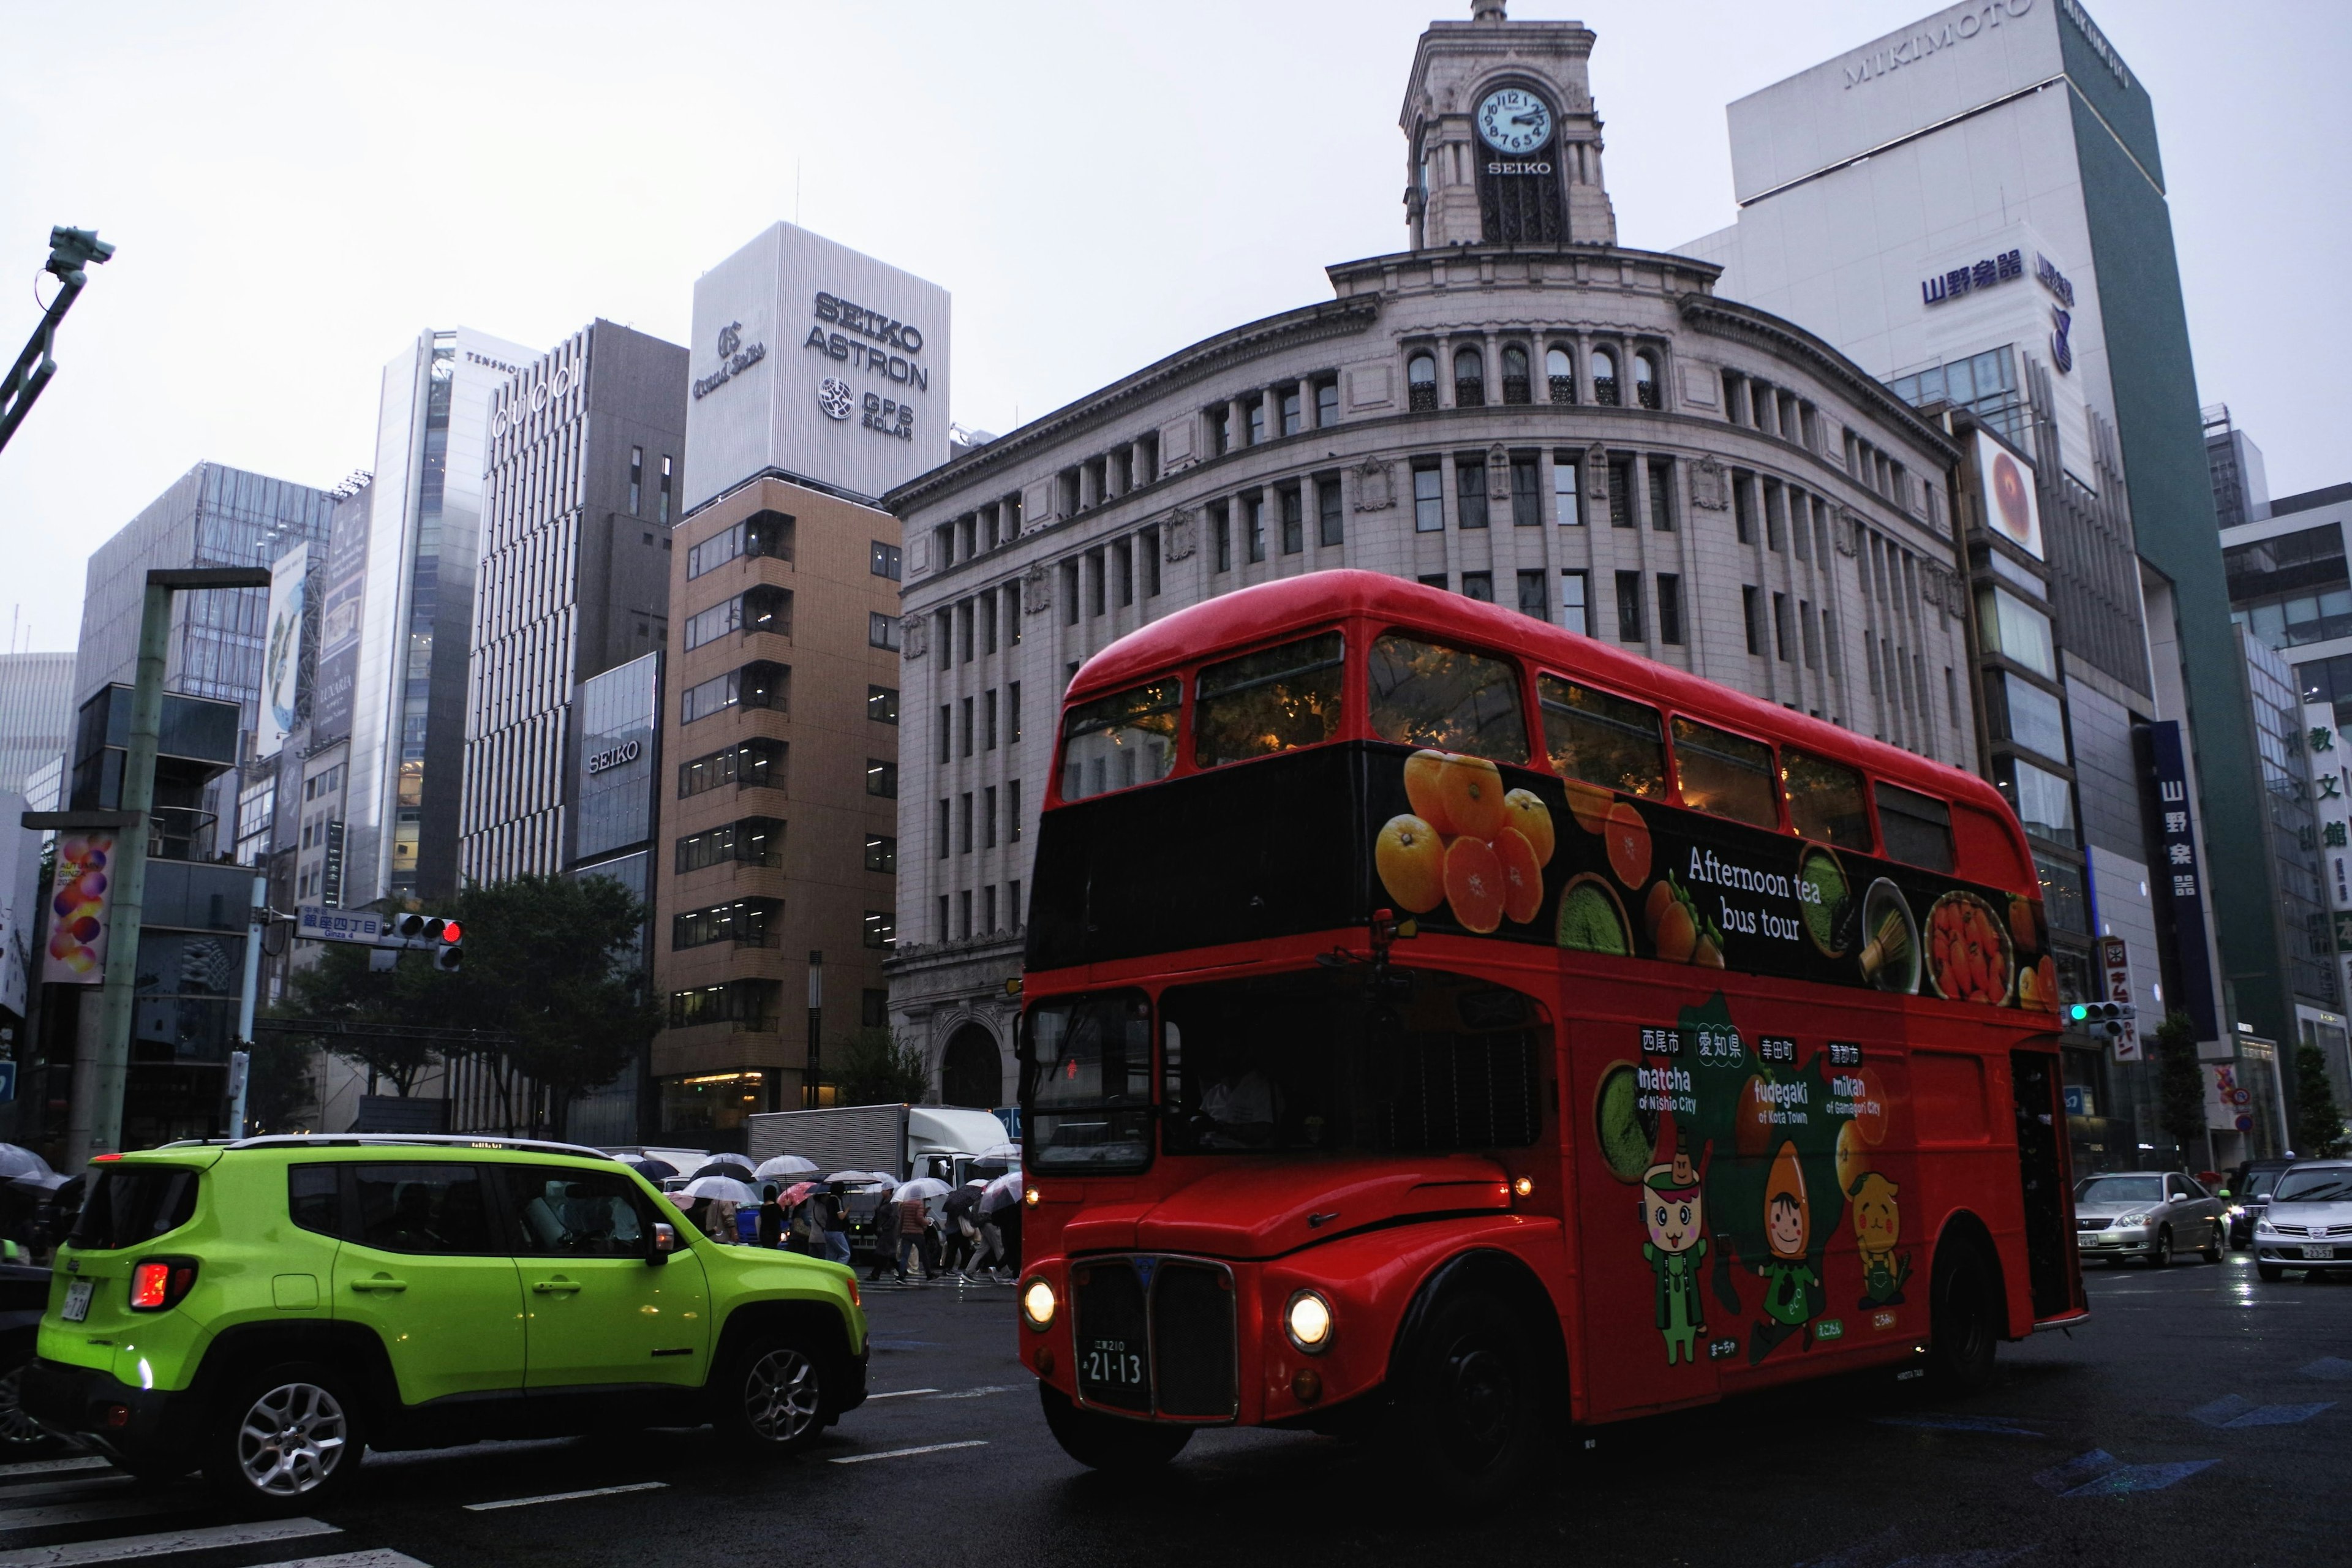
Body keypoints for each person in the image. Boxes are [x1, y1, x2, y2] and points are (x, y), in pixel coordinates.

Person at [894, 1192, 935, 1283]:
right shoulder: (919, 1204)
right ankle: (929, 1275)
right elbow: (919, 1218)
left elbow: (902, 1220)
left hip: (906, 1233)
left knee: (905, 1256)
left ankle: (901, 1277)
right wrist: (927, 1222)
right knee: (924, 1255)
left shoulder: (905, 1205)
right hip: (917, 1233)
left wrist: (900, 1232)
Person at [868, 1191, 901, 1283]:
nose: (882, 1192)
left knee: (881, 1253)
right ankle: (902, 1272)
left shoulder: (892, 1202)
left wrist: (885, 1227)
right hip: (883, 1232)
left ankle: (875, 1274)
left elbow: (894, 1217)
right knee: (887, 1255)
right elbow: (881, 1214)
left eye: (884, 1190)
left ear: (889, 1191)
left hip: (889, 1232)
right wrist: (876, 1210)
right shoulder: (883, 1201)